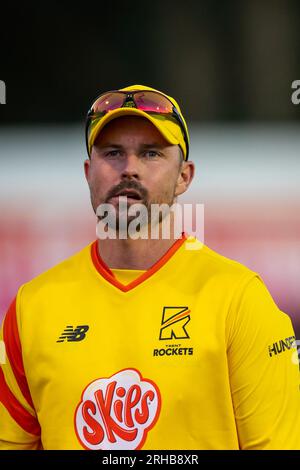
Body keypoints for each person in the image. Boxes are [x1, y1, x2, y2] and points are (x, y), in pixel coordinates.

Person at [0, 84, 299, 450]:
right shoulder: (32, 308)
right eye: (113, 153)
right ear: (87, 172)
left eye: (151, 153)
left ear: (184, 176)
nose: (130, 169)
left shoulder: (238, 299)